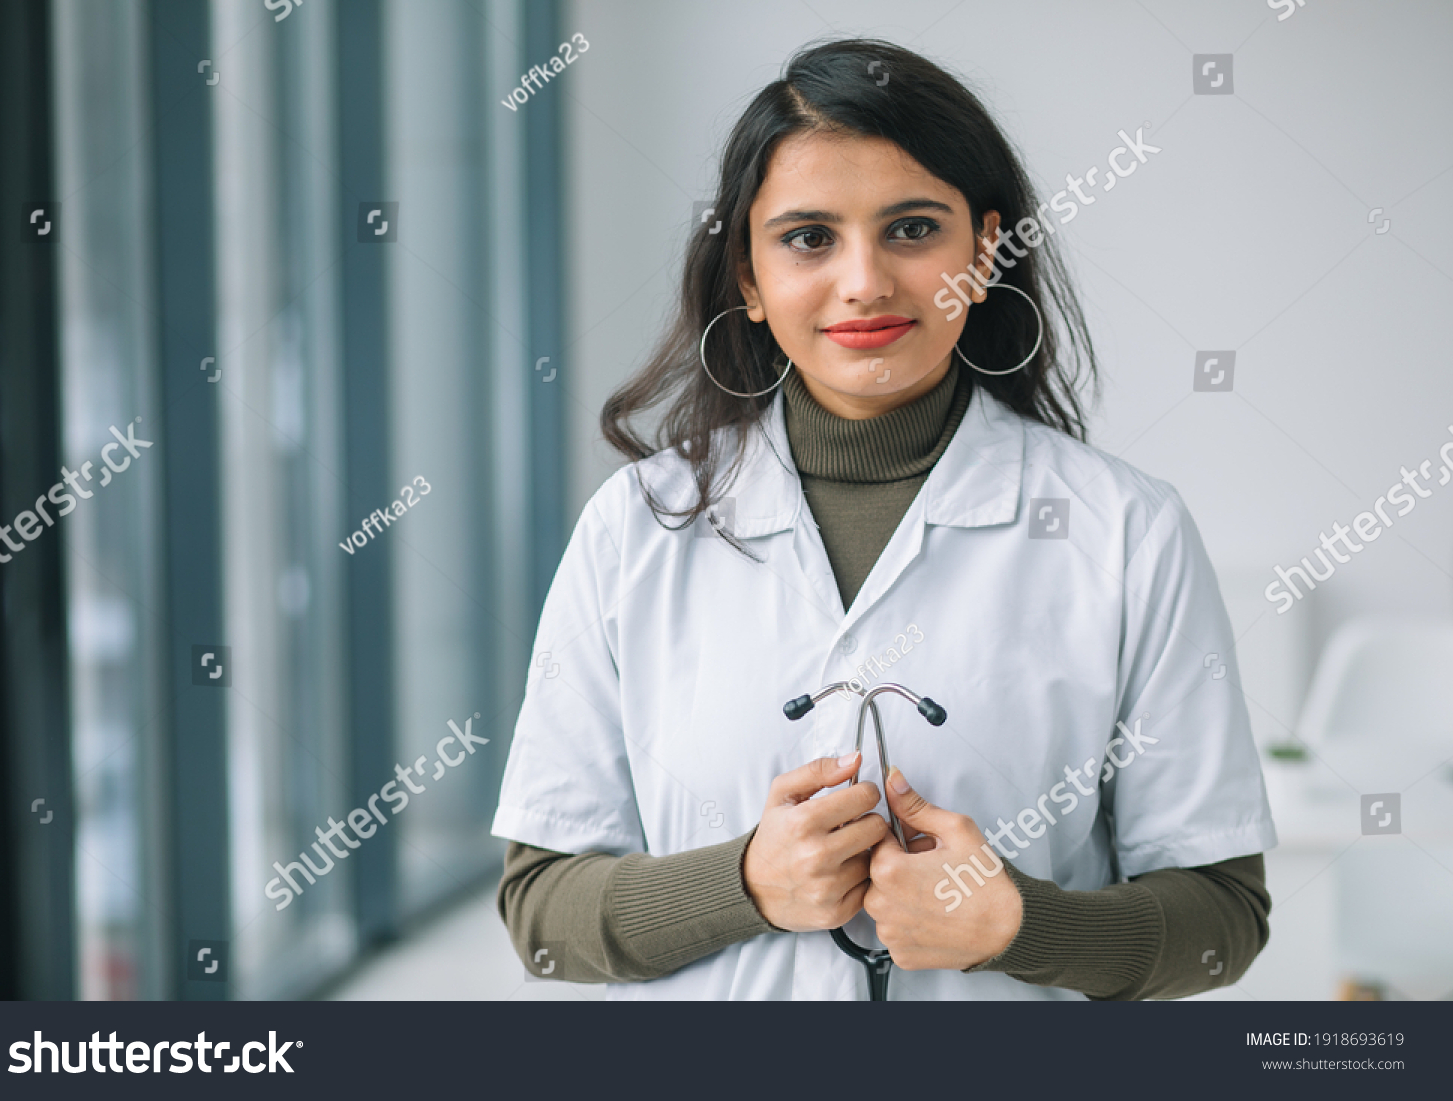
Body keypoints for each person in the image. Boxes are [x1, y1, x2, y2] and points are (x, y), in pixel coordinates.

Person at [491, 37, 1274, 1000]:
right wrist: (742, 884)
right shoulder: (635, 528)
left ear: (986, 251)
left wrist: (1022, 923)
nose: (864, 281)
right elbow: (540, 915)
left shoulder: (1125, 531)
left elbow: (1222, 919)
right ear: (747, 275)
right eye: (808, 238)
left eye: (911, 229)